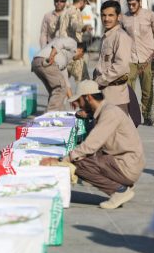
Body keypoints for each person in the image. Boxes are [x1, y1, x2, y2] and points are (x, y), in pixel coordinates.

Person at [43, 80, 145, 209]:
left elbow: (92, 144)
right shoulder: (106, 109)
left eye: (79, 101)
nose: (78, 105)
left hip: (127, 165)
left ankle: (119, 191)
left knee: (78, 162)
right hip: (126, 162)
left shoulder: (110, 113)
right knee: (83, 156)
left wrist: (63, 159)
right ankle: (123, 184)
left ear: (88, 97)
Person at [121, 0, 154, 126]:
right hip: (130, 59)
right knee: (128, 88)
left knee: (147, 90)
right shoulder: (124, 18)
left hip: (147, 58)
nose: (131, 7)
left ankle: (147, 116)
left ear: (140, 2)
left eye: (133, 4)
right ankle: (131, 115)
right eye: (129, 5)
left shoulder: (150, 15)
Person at [94, 0, 132, 114]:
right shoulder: (106, 36)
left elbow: (121, 66)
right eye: (104, 15)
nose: (106, 19)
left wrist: (100, 81)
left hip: (116, 98)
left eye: (111, 15)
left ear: (118, 16)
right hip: (103, 95)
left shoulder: (121, 36)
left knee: (118, 131)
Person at [32, 37, 84, 111]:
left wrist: (72, 99)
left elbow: (66, 83)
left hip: (36, 63)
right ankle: (50, 116)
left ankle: (58, 114)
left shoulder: (63, 60)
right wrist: (52, 55)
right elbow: (60, 42)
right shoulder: (73, 43)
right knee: (60, 89)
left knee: (56, 92)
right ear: (81, 50)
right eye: (81, 56)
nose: (80, 58)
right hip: (47, 61)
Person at [59, 0, 91, 83]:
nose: (85, 6)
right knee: (84, 82)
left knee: (64, 83)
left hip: (63, 52)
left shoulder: (64, 12)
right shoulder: (75, 12)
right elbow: (74, 25)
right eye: (85, 3)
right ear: (82, 1)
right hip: (74, 53)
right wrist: (83, 28)